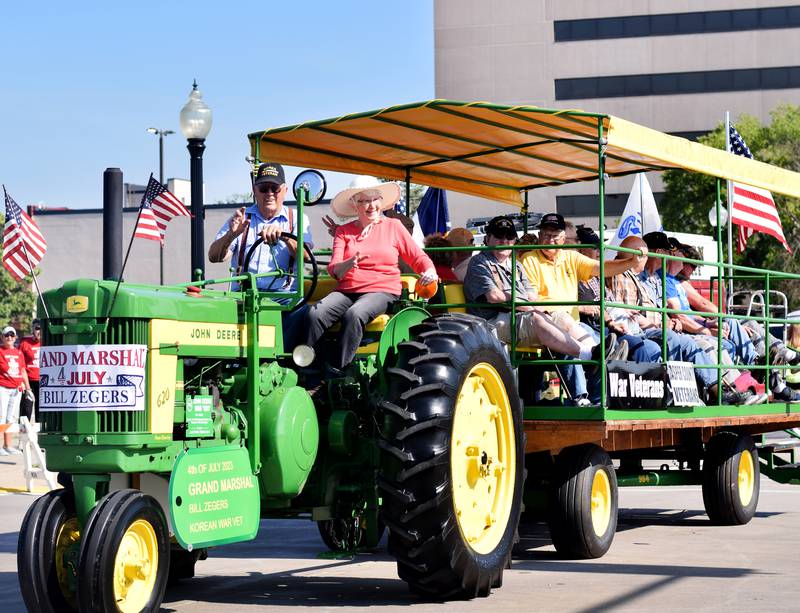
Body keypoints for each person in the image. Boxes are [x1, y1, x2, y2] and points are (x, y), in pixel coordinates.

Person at [463, 215, 628, 383]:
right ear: (487, 239)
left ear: (514, 241)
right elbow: (494, 296)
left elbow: (532, 297)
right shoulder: (480, 262)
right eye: (498, 236)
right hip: (489, 323)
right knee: (537, 319)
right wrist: (526, 304)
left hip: (516, 316)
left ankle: (597, 352)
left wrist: (535, 307)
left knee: (561, 316)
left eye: (509, 237)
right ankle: (590, 357)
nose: (504, 241)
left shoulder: (516, 265)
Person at [304, 176, 437, 370]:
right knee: (314, 315)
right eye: (364, 200)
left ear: (381, 202)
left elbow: (418, 258)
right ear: (354, 205)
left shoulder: (394, 226)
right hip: (347, 290)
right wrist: (349, 264)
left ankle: (339, 370)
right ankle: (313, 369)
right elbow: (335, 270)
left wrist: (430, 271)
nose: (371, 205)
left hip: (382, 290)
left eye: (375, 199)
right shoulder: (343, 231)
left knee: (354, 314)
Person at [208, 162, 313, 349]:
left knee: (305, 313)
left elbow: (305, 255)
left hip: (284, 297)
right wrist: (232, 234)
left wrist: (285, 237)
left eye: (275, 188)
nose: (270, 193)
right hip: (244, 296)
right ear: (254, 190)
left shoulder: (297, 218)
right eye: (264, 188)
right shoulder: (241, 218)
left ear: (285, 190)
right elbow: (214, 256)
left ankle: (288, 364)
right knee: (210, 314)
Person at [0, 326, 31, 455]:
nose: (9, 338)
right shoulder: (0, 351)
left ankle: (7, 446)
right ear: (2, 337)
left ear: (15, 338)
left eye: (12, 336)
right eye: (7, 335)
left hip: (16, 389)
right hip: (3, 387)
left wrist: (28, 388)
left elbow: (23, 370)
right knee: (1, 417)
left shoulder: (18, 352)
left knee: (11, 418)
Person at [19, 320, 41, 423]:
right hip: (28, 381)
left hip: (44, 380)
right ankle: (23, 435)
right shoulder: (25, 343)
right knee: (26, 409)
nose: (39, 331)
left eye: (41, 328)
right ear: (32, 329)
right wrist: (22, 382)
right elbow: (19, 363)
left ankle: (41, 436)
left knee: (41, 410)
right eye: (37, 328)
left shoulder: (49, 342)